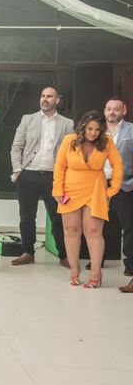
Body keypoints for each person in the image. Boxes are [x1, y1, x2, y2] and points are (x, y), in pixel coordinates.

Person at [53, 111, 123, 289]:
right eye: (90, 129)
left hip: (96, 190)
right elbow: (60, 165)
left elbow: (118, 164)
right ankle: (74, 272)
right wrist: (57, 189)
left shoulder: (106, 142)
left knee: (93, 232)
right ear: (83, 127)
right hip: (70, 189)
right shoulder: (70, 140)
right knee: (71, 230)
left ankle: (96, 273)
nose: (93, 133)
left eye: (97, 130)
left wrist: (112, 189)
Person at [10, 87, 74, 267]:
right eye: (43, 96)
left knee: (58, 218)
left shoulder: (67, 124)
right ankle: (27, 252)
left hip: (54, 177)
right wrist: (18, 171)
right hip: (28, 174)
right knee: (26, 217)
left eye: (49, 96)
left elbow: (71, 152)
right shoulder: (27, 119)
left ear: (57, 100)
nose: (45, 99)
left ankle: (64, 255)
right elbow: (16, 147)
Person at [89, 98, 133, 276]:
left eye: (116, 109)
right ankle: (97, 261)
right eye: (109, 109)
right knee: (98, 226)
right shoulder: (96, 130)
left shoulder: (131, 130)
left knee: (129, 227)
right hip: (99, 186)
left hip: (124, 186)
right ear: (104, 111)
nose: (112, 112)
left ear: (124, 110)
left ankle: (130, 264)